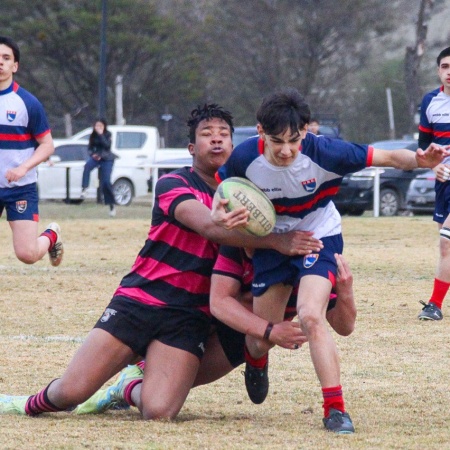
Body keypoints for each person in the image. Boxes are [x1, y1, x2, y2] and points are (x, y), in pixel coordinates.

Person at [0, 103, 321, 421]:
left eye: (224, 134)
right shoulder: (174, 184)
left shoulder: (248, 198)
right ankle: (27, 404)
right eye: (208, 134)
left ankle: (127, 387)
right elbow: (210, 227)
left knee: (159, 411)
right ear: (191, 148)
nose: (217, 140)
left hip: (189, 317)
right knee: (70, 393)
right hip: (140, 301)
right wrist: (273, 239)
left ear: (234, 146)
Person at [212, 87, 450, 433]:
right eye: (277, 141)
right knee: (259, 339)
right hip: (272, 242)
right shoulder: (245, 157)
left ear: (306, 131)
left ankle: (335, 409)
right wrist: (220, 213)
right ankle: (256, 361)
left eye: (294, 140)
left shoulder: (326, 152)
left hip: (318, 235)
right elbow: (221, 194)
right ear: (260, 131)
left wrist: (420, 161)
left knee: (310, 315)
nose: (286, 150)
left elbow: (387, 158)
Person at [73, 249, 356, 416]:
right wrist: (269, 330)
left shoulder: (310, 259)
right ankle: (141, 364)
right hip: (200, 319)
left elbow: (344, 327)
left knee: (162, 403)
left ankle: (125, 388)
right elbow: (220, 303)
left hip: (237, 339)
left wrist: (345, 292)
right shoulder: (236, 243)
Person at [0, 36, 63, 266]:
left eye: (6, 58)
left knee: (27, 255)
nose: (1, 62)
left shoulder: (28, 103)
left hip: (20, 188)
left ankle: (52, 235)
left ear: (15, 66)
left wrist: (23, 167)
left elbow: (47, 145)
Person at [417, 46, 450, 321]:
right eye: (445, 66)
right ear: (439, 70)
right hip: (444, 184)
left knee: (446, 243)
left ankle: (434, 304)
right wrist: (436, 165)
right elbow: (423, 149)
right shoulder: (430, 102)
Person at [81, 118, 117, 217]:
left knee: (106, 182)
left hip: (107, 158)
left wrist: (101, 135)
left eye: (100, 126)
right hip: (97, 157)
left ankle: (111, 205)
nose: (98, 128)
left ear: (104, 126)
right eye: (97, 126)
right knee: (87, 166)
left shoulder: (108, 134)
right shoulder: (92, 135)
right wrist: (93, 154)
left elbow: (107, 146)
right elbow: (90, 148)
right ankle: (84, 188)